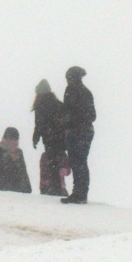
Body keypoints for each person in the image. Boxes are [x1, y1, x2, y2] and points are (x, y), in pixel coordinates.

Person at [61, 66, 96, 204]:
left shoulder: (75, 92)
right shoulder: (84, 92)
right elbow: (91, 115)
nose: (68, 81)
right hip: (81, 132)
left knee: (78, 162)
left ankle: (79, 194)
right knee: (79, 162)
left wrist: (72, 121)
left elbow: (91, 115)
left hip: (79, 132)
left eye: (69, 78)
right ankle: (80, 193)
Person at [31, 79, 68, 197]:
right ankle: (59, 187)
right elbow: (65, 122)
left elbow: (39, 124)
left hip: (49, 139)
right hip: (60, 139)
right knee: (58, 161)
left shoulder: (40, 106)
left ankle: (54, 188)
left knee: (52, 163)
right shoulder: (58, 104)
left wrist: (35, 138)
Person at [0, 126, 31, 193]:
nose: (15, 142)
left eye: (16, 139)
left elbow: (23, 171)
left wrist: (28, 188)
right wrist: (8, 156)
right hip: (5, 192)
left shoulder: (19, 152)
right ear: (6, 139)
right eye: (12, 139)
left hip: (21, 192)